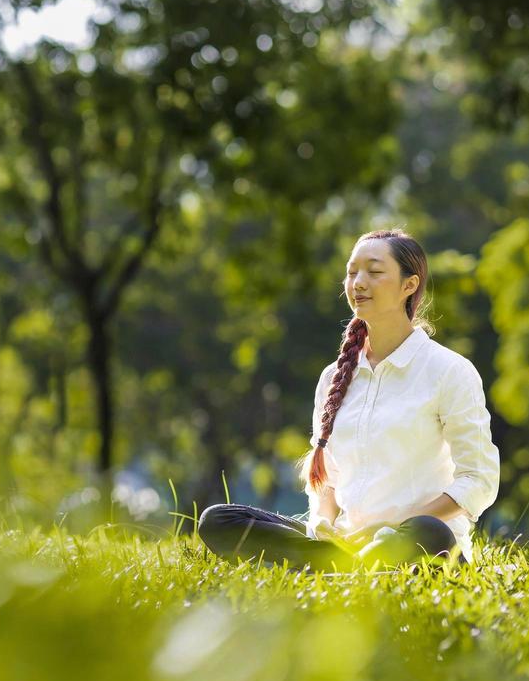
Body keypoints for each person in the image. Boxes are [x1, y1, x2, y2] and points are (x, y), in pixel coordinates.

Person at [197, 228, 502, 571]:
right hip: (348, 539)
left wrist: (390, 528)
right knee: (218, 520)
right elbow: (327, 480)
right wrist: (324, 523)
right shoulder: (334, 376)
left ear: (409, 285)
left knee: (428, 532)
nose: (358, 282)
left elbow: (479, 479)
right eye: (352, 271)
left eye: (374, 272)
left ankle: (336, 567)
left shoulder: (449, 371)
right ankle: (340, 563)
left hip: (416, 539)